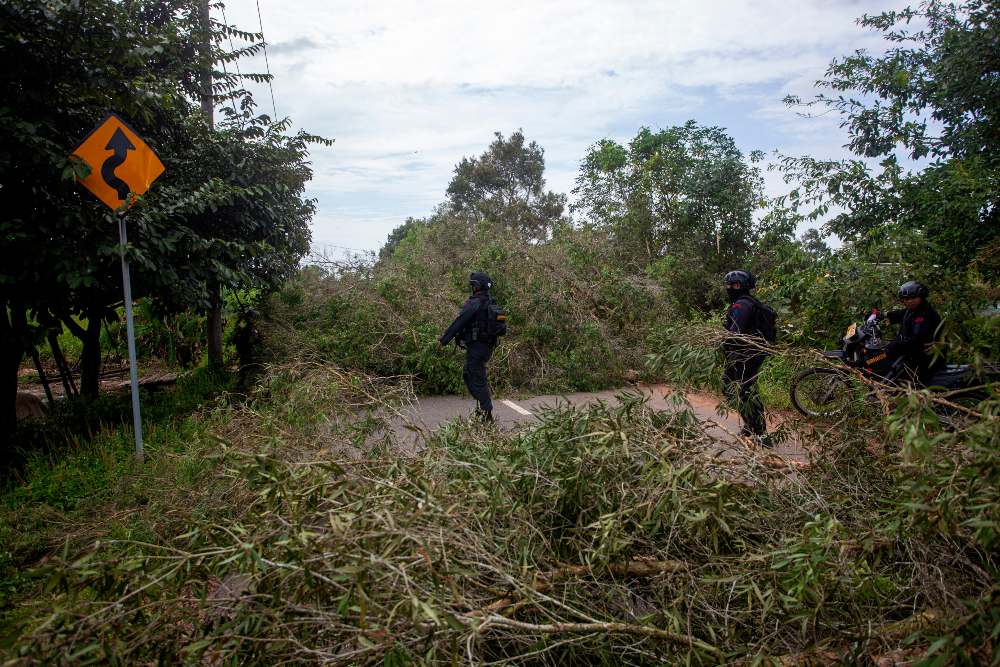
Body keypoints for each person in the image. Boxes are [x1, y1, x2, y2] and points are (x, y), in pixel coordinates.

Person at [440, 272, 498, 422]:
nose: (472, 288)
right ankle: (483, 409)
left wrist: (443, 340)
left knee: (477, 378)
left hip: (478, 348)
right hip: (486, 347)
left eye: (473, 285)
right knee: (469, 374)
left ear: (477, 286)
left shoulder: (475, 303)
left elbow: (459, 322)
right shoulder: (489, 302)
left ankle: (486, 413)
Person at [721, 270, 769, 442]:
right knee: (737, 388)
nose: (728, 288)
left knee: (744, 391)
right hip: (749, 353)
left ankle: (760, 433)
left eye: (731, 285)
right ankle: (751, 426)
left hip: (745, 355)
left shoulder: (742, 305)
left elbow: (734, 332)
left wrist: (721, 340)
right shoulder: (750, 302)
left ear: (739, 285)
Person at [879, 281, 943, 384]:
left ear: (921, 297)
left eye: (913, 298)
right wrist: (882, 315)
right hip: (915, 354)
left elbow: (916, 340)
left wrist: (894, 345)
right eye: (906, 299)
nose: (910, 301)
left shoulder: (923, 315)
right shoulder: (914, 310)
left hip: (925, 358)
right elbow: (901, 314)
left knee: (901, 376)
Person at [232, 308, 262, 387]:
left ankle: (243, 384)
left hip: (247, 353)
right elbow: (251, 341)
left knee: (245, 369)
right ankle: (243, 385)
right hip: (247, 353)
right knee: (246, 369)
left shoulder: (249, 328)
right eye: (254, 318)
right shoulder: (248, 329)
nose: (255, 320)